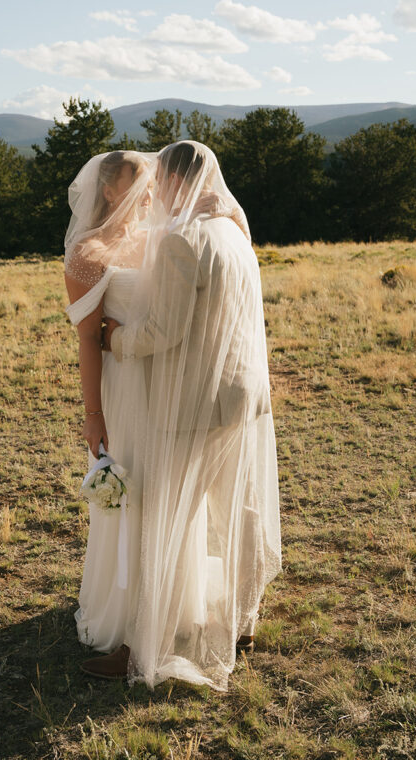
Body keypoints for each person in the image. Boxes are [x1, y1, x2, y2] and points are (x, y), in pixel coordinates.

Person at [82, 141, 281, 690]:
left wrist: (113, 339)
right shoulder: (234, 234)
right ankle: (244, 621)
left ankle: (141, 648)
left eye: (159, 181)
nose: (154, 193)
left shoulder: (180, 242)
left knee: (163, 521)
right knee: (238, 509)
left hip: (193, 402)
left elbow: (161, 333)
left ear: (174, 182)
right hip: (244, 394)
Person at [64, 149, 154, 652]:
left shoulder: (156, 242)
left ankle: (160, 595)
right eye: (135, 185)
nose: (147, 196)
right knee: (129, 487)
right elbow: (86, 339)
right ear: (108, 190)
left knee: (161, 482)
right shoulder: (88, 252)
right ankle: (121, 611)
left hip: (164, 385)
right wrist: (93, 415)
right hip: (122, 388)